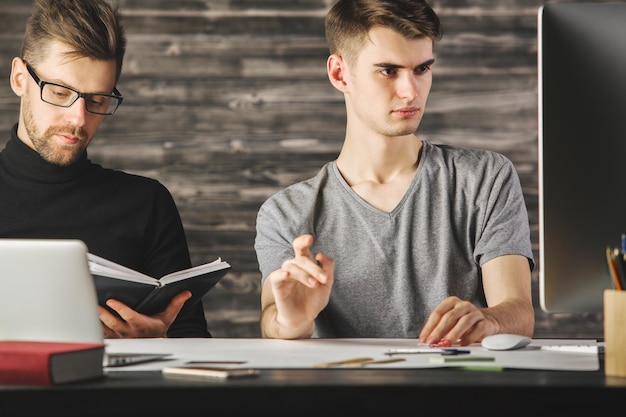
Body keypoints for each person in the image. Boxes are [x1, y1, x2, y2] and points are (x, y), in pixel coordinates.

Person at [254, 0, 535, 345]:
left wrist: (488, 320)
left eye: (422, 69)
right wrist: (291, 320)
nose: (410, 91)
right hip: (338, 396)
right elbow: (272, 317)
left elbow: (518, 311)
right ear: (340, 74)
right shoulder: (285, 212)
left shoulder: (484, 179)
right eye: (388, 71)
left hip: (460, 393)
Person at [0, 0, 210, 338]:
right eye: (59, 92)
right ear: (19, 78)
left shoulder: (147, 203)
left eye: (97, 100)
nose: (78, 119)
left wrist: (156, 342)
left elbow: (194, 342)